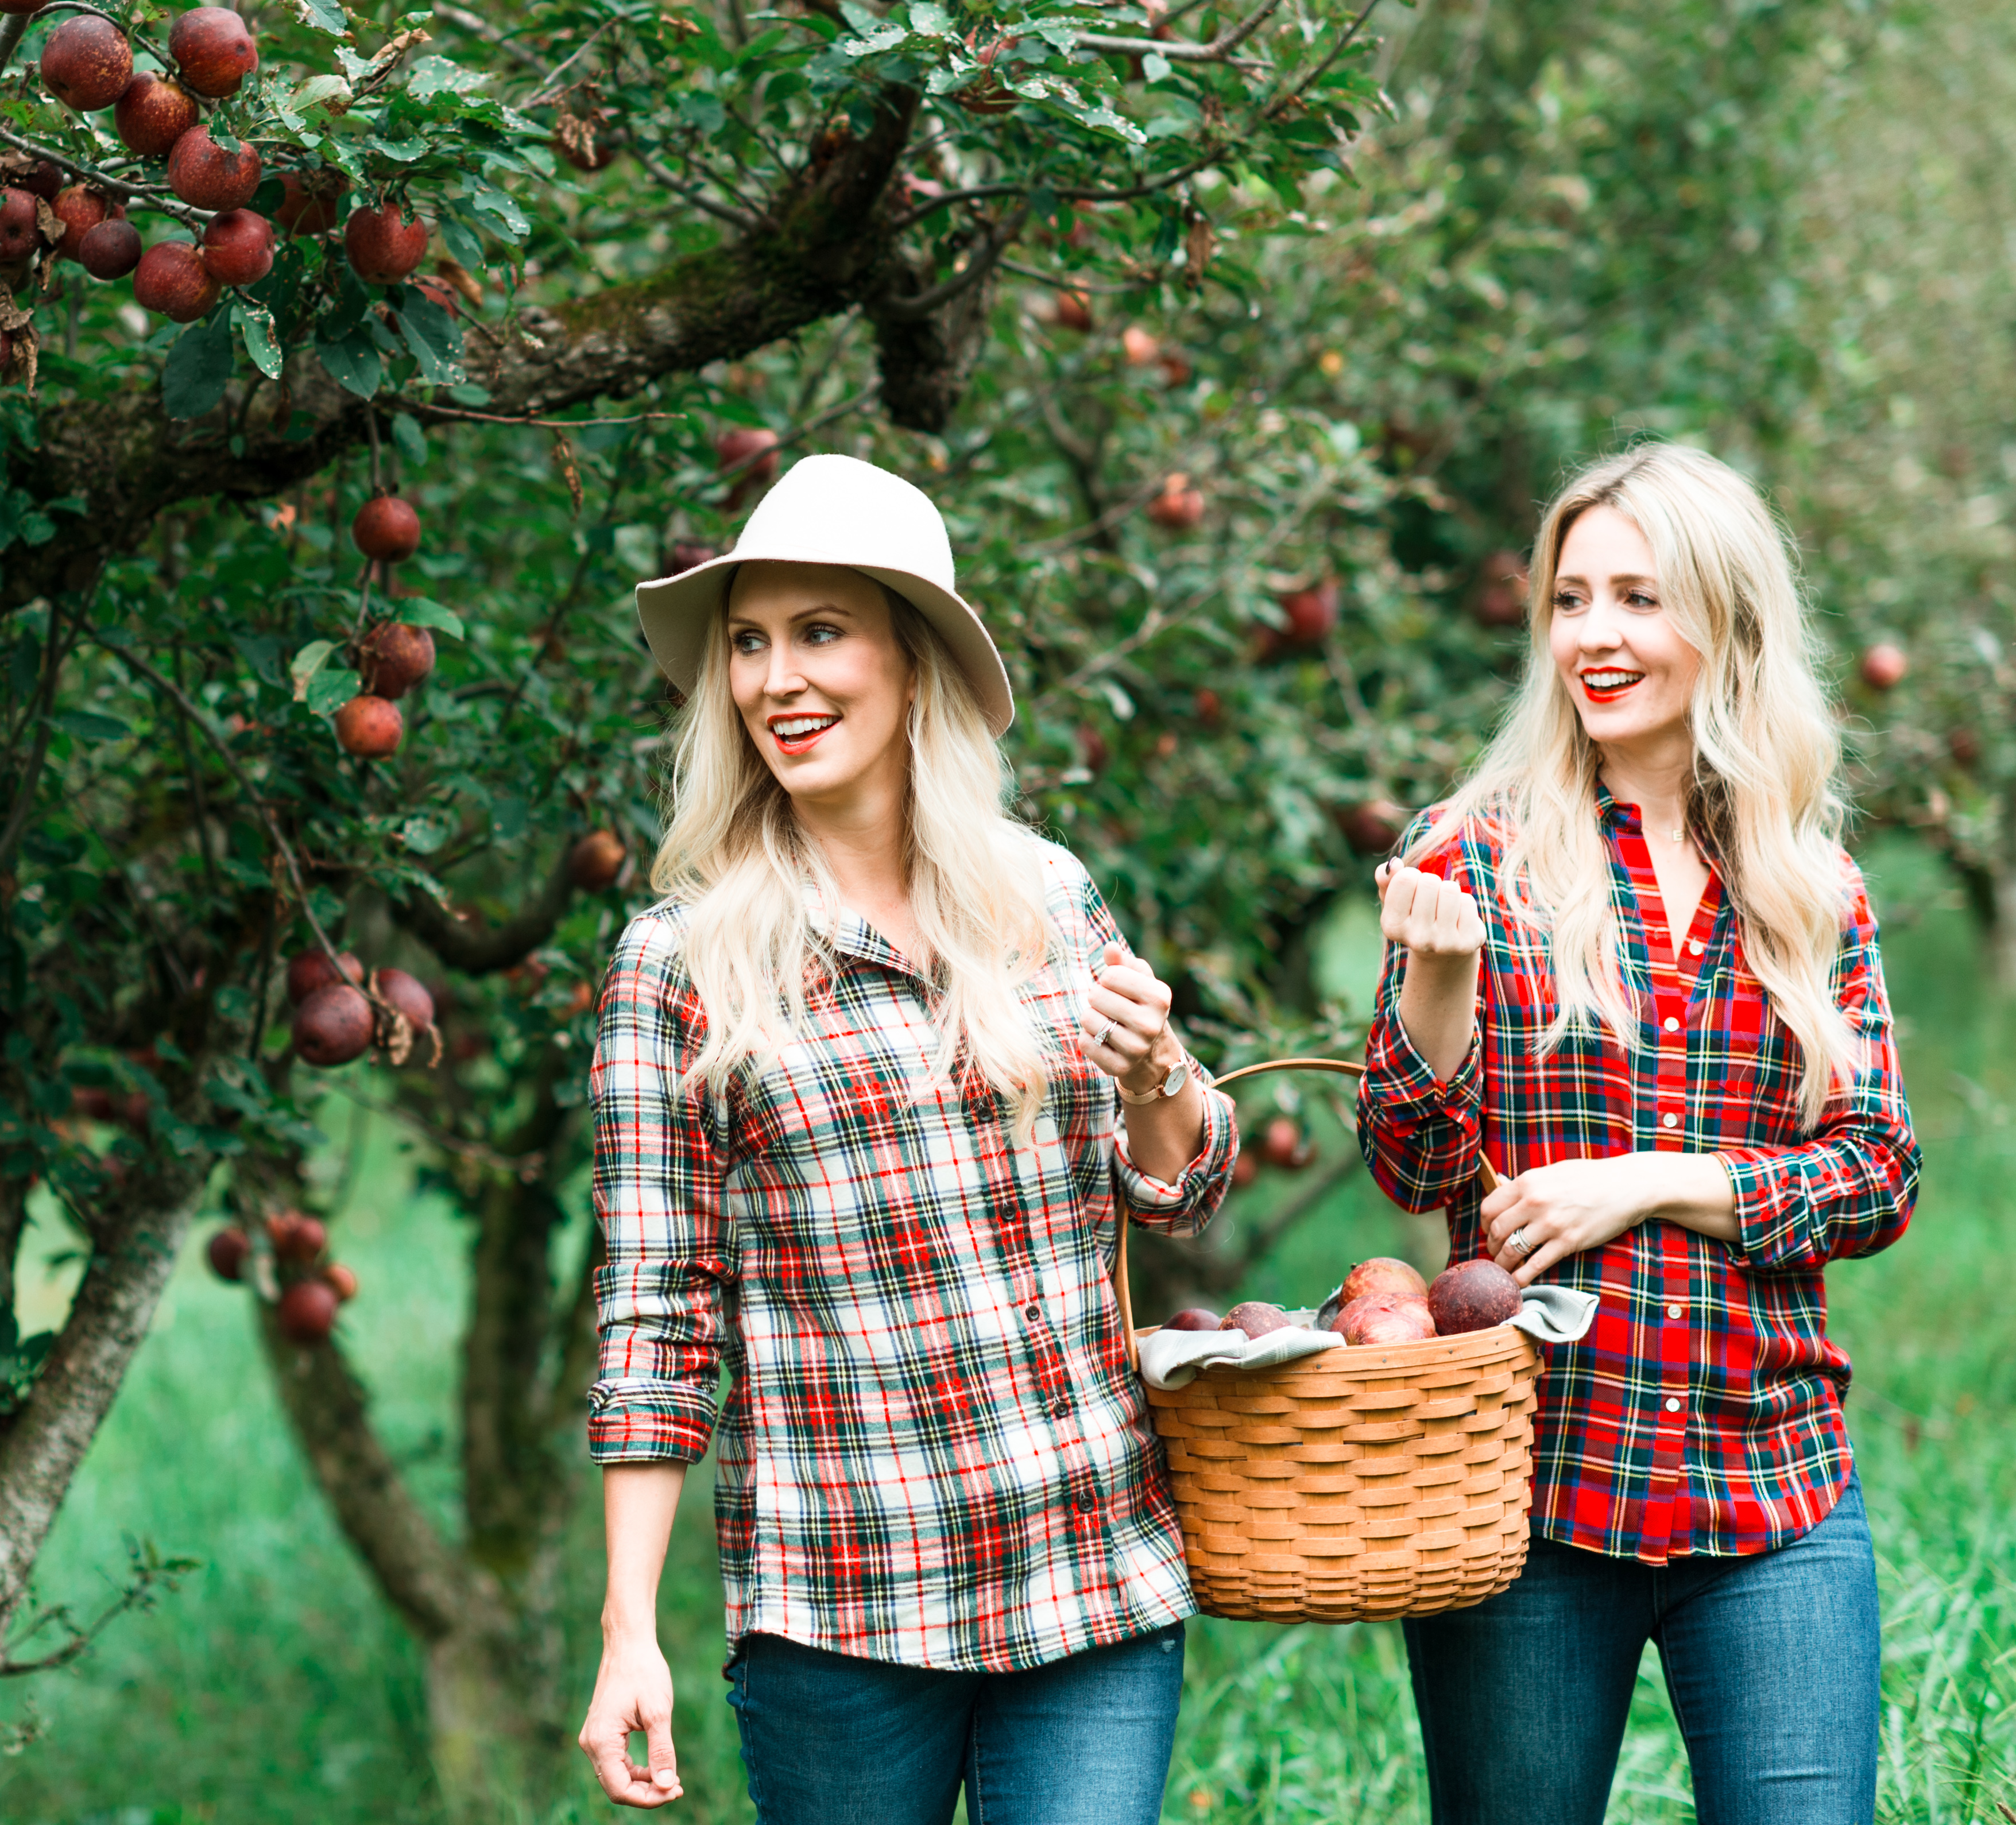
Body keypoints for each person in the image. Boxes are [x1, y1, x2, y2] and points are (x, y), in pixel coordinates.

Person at [574, 454, 1240, 1824]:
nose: (775, 679)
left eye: (819, 631)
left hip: (1090, 1569)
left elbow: (1179, 1190)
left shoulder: (1043, 898)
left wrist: (1163, 1068)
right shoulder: (679, 963)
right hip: (843, 1605)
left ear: (913, 659)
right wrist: (626, 1626)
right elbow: (657, 1315)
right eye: (749, 643)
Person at [1359, 441, 1917, 1825]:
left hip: (1769, 1479)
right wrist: (1436, 985)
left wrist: (1659, 1180)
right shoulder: (1467, 852)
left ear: (1723, 622)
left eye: (1636, 598)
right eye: (1569, 598)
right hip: (1531, 1490)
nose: (1593, 637)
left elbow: (1878, 1169)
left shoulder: (1805, 880)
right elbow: (1414, 1168)